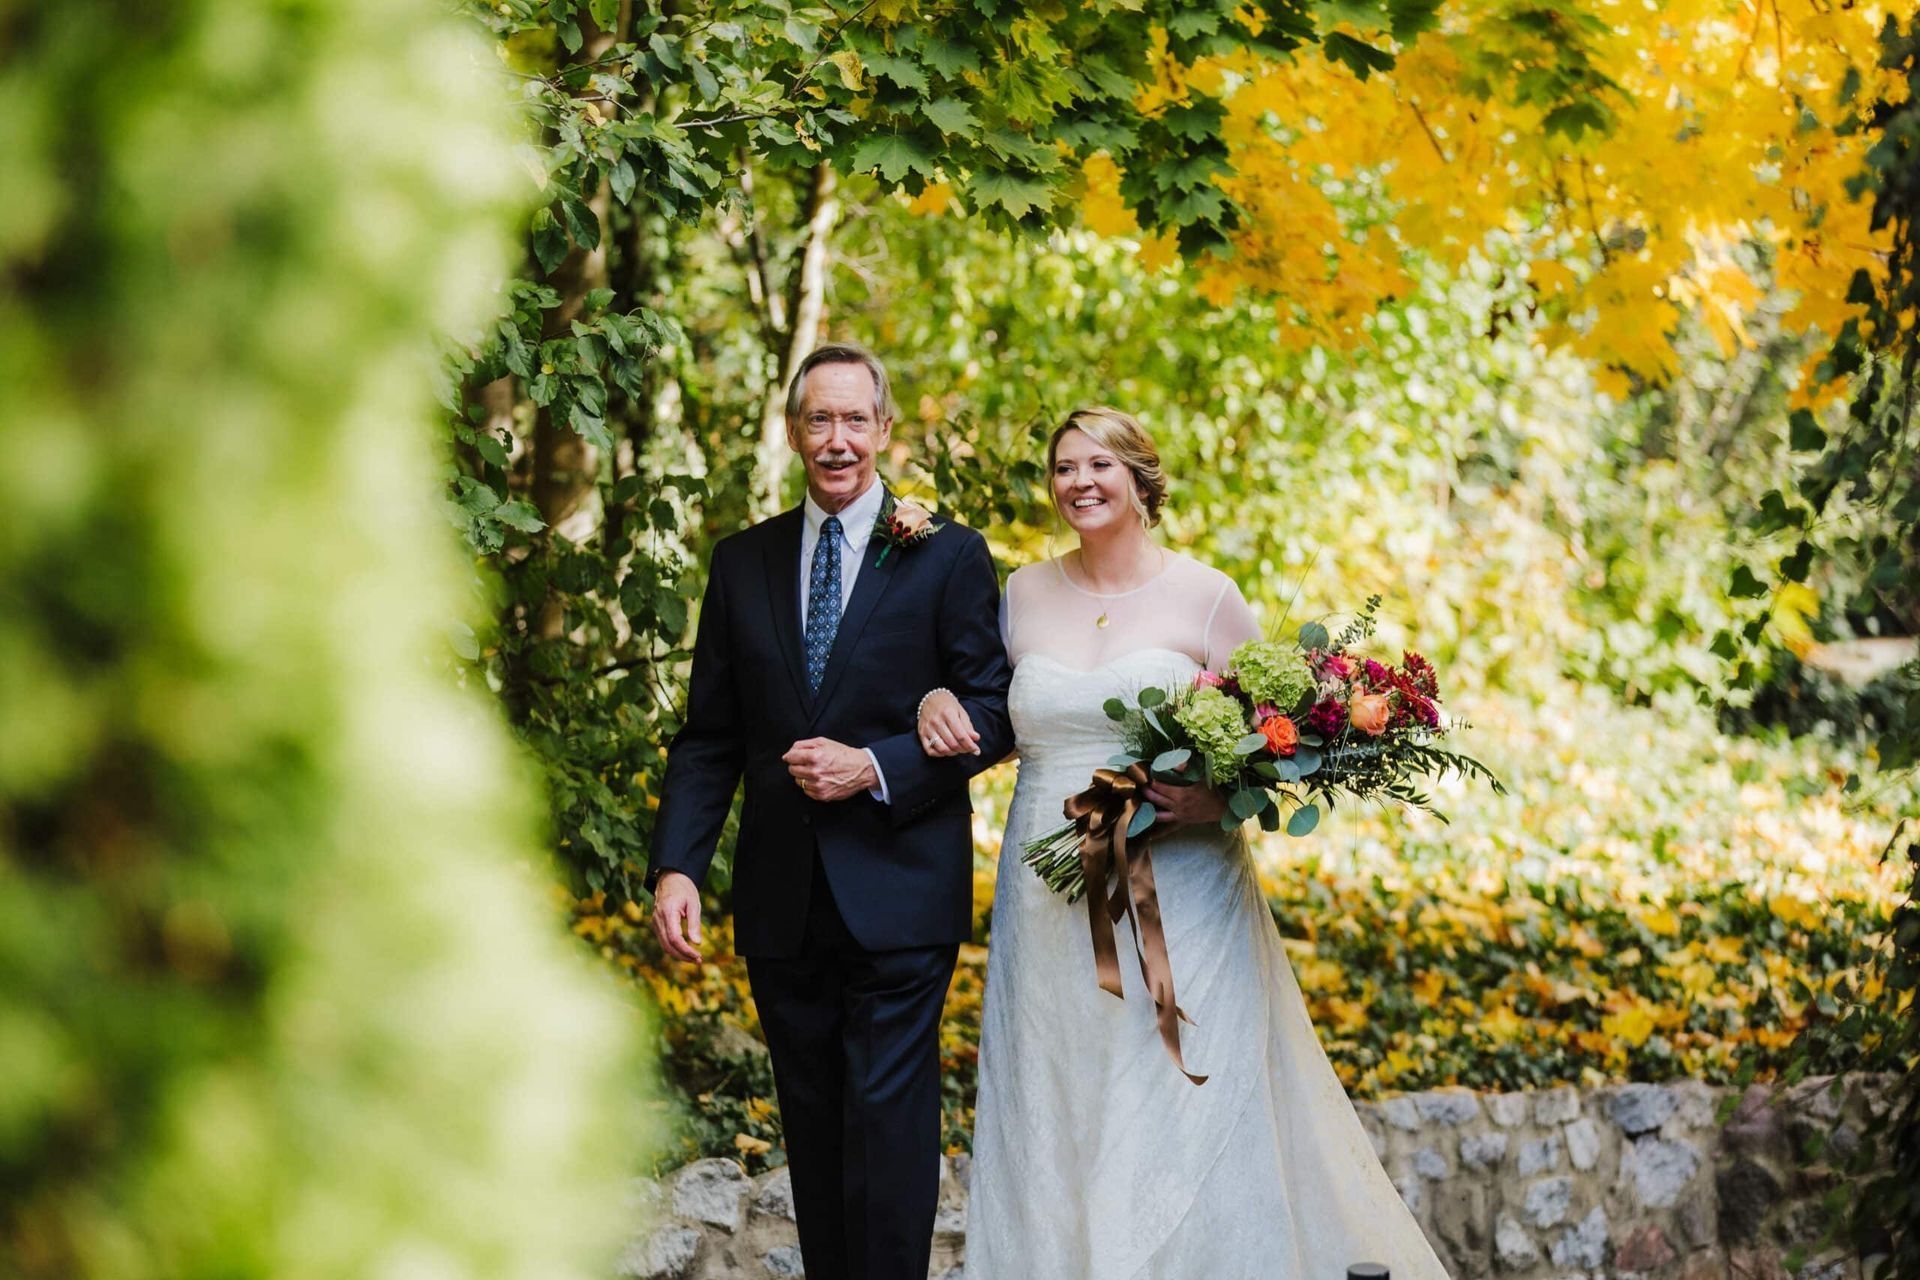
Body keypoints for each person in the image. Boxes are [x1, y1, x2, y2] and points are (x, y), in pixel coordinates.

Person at [918, 407, 1452, 1279]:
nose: (1080, 483)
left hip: (1183, 889)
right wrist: (930, 700)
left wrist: (1211, 802)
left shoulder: (1206, 594)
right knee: (1058, 1091)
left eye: (1100, 465)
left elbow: (1279, 744)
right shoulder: (1021, 594)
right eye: (1064, 468)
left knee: (1175, 1090)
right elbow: (987, 715)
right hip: (1044, 897)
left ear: (1140, 479)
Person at [647, 343, 1014, 1280]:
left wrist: (876, 766)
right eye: (820, 419)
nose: (838, 439)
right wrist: (679, 865)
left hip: (901, 888)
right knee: (811, 1125)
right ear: (793, 431)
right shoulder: (742, 562)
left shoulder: (949, 555)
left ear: (885, 429)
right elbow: (710, 736)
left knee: (888, 1126)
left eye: (856, 419)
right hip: (781, 896)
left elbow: (994, 710)